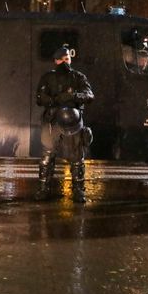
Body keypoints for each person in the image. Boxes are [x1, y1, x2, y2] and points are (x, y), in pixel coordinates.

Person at [34, 45, 94, 202]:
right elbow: (40, 98)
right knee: (47, 157)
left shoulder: (78, 77)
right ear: (55, 61)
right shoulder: (48, 77)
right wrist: (55, 100)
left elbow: (89, 95)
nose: (64, 62)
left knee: (77, 158)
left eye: (67, 59)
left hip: (72, 122)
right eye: (61, 59)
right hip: (52, 121)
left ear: (70, 59)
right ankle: (43, 189)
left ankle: (78, 191)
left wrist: (73, 96)